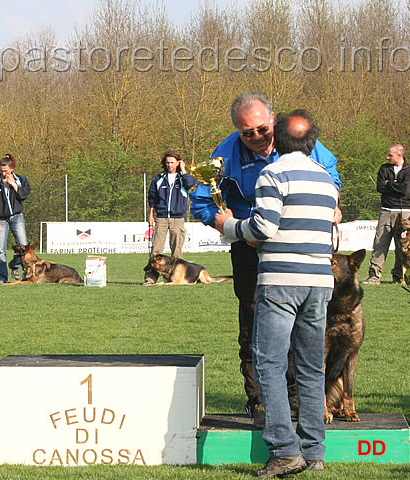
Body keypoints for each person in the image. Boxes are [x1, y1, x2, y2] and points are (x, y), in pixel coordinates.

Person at [189, 92, 342, 429]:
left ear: (273, 120)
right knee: (255, 325)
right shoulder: (225, 152)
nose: (256, 137)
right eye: (247, 133)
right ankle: (260, 401)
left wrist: (332, 205)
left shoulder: (299, 137)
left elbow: (333, 182)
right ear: (237, 131)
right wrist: (223, 222)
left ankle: (301, 402)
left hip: (298, 249)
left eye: (262, 129)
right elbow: (201, 202)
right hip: (249, 247)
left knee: (305, 329)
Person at [215, 110, 338, 477]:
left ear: (277, 141)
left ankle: (285, 450)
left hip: (282, 279)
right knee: (311, 367)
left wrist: (228, 225)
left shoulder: (273, 173)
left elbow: (263, 227)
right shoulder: (325, 180)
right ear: (312, 142)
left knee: (269, 362)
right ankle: (314, 450)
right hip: (319, 282)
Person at [143, 149, 197, 285]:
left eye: (172, 162)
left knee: (177, 250)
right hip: (161, 218)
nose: (170, 165)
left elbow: (191, 183)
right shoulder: (159, 178)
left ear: (178, 163)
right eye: (167, 162)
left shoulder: (183, 179)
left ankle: (176, 278)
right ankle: (150, 279)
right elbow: (152, 198)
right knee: (156, 249)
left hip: (177, 218)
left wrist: (184, 170)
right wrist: (151, 215)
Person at [363, 144, 410, 284]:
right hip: (386, 210)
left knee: (402, 246)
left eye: (390, 155)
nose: (387, 157)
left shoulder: (409, 170)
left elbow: (405, 190)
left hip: (403, 212)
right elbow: (380, 187)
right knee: (380, 243)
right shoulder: (384, 168)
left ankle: (399, 278)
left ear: (399, 155)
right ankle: (374, 276)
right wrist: (396, 184)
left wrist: (389, 183)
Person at [0, 153, 30, 284]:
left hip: (17, 217)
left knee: (23, 246)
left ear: (11, 169)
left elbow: (24, 195)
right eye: (1, 171)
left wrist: (13, 184)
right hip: (1, 219)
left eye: (5, 171)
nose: (3, 173)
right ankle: (2, 277)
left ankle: (16, 266)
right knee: (0, 249)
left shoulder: (20, 180)